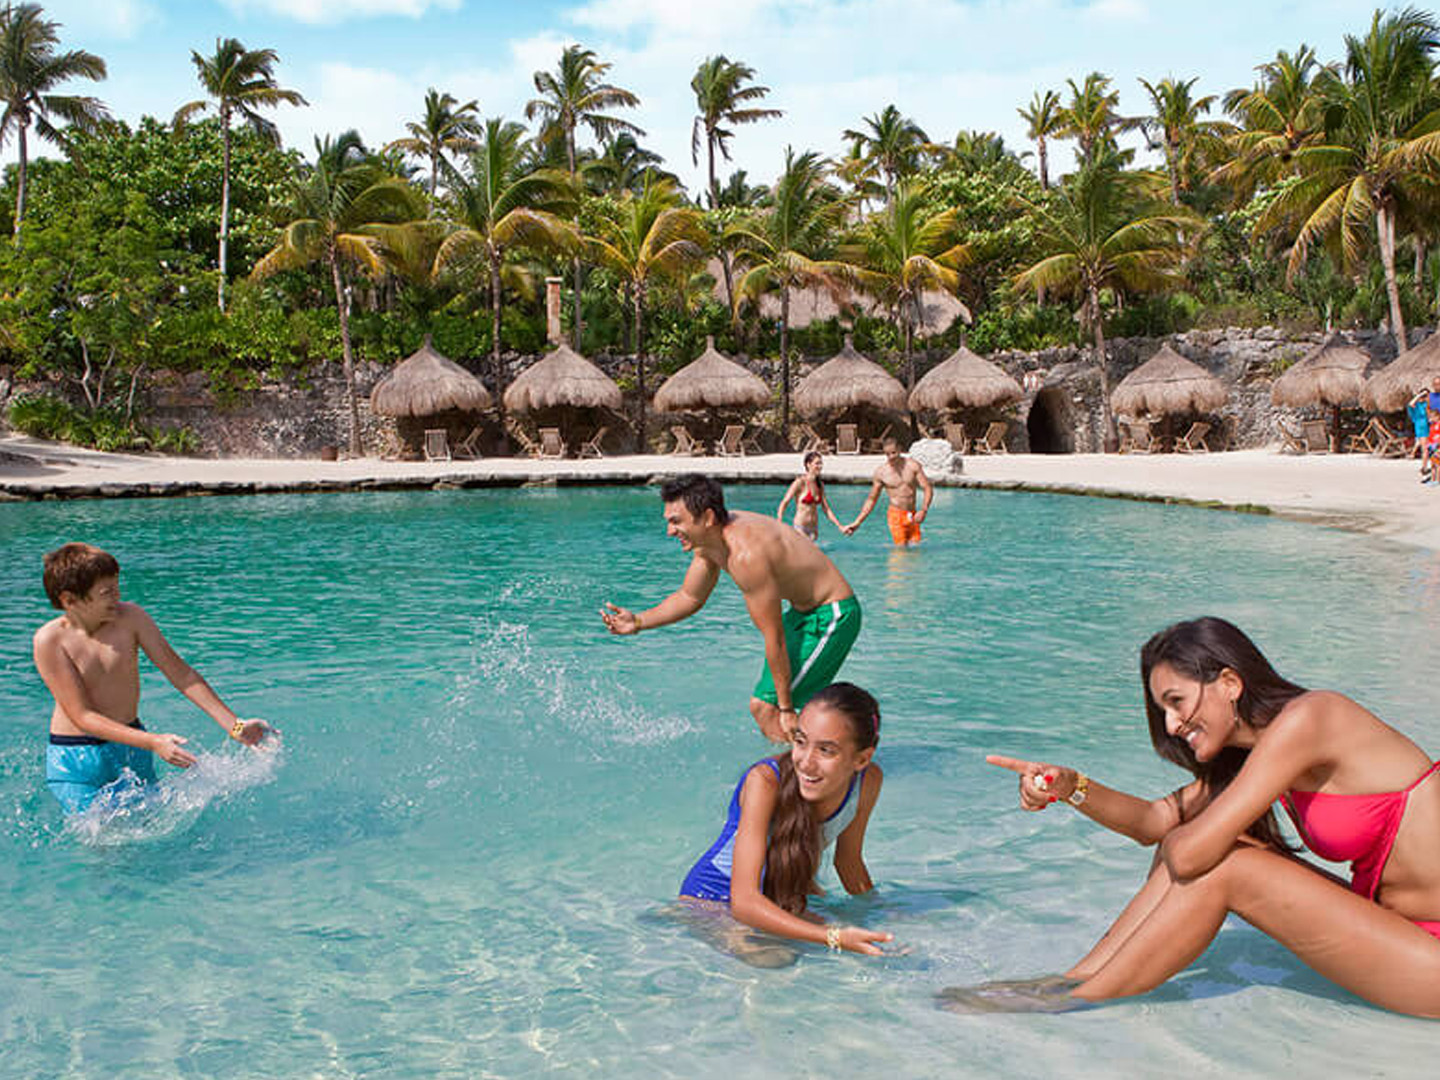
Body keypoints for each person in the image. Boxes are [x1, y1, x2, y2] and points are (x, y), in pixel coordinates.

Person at [964, 617, 1440, 1017]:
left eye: (1176, 701)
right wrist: (1072, 788)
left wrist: (1184, 838)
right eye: (1162, 709)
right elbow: (1152, 822)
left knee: (1228, 862)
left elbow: (1187, 857)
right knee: (1211, 847)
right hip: (1404, 936)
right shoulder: (1263, 754)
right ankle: (1073, 980)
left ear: (1230, 683)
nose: (1171, 725)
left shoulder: (1313, 718)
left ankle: (1077, 1003)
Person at [601, 475, 861, 743]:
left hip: (833, 615)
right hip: (804, 614)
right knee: (766, 707)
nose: (669, 531)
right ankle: (821, 765)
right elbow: (690, 596)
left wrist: (785, 709)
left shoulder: (746, 556)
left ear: (708, 517)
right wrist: (639, 622)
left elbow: (774, 637)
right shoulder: (709, 540)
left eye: (676, 522)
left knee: (767, 708)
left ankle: (814, 777)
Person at [33, 542, 275, 814]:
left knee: (151, 826)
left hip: (132, 748)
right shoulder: (50, 641)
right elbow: (82, 716)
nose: (117, 596)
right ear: (69, 600)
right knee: (103, 848)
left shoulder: (131, 618)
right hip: (76, 758)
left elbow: (181, 674)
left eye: (117, 587)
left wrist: (235, 726)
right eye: (106, 592)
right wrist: (153, 742)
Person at [680, 682, 892, 955]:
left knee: (880, 950)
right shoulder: (765, 782)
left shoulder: (868, 780)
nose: (805, 762)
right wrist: (834, 937)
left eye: (826, 750)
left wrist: (881, 915)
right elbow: (743, 902)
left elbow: (848, 863)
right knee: (777, 960)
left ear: (862, 759)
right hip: (712, 903)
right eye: (800, 741)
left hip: (779, 899)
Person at [843, 437, 934, 546]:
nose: (891, 457)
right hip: (896, 515)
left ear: (900, 449)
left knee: (915, 549)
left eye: (893, 453)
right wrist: (858, 522)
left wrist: (924, 510)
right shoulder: (881, 472)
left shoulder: (913, 466)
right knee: (900, 551)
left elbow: (927, 488)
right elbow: (872, 499)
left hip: (912, 515)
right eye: (887, 454)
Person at [776, 451, 845, 541]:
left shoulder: (820, 485)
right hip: (800, 528)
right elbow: (785, 502)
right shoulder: (800, 482)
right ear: (808, 464)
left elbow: (826, 509)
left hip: (814, 530)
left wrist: (839, 526)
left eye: (821, 463)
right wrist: (779, 521)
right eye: (817, 463)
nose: (820, 466)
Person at [1408, 385, 1431, 479]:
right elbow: (1410, 403)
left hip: (1432, 428)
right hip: (1422, 429)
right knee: (1425, 450)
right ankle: (1424, 467)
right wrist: (1421, 394)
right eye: (1424, 396)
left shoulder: (1428, 405)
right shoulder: (1416, 406)